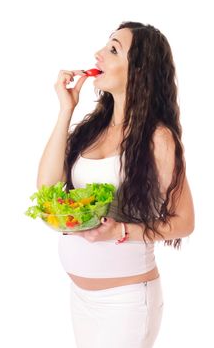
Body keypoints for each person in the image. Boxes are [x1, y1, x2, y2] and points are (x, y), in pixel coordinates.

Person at [37, 21, 195, 348]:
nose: (98, 55)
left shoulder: (158, 138)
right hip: (80, 298)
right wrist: (66, 110)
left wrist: (120, 231)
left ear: (138, 70)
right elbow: (46, 189)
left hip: (128, 303)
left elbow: (184, 222)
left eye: (113, 50)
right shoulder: (93, 129)